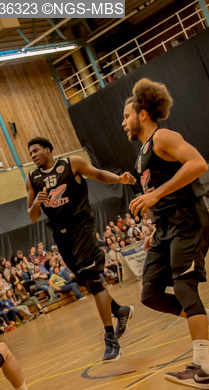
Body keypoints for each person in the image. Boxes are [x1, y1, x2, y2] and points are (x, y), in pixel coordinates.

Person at [122, 78, 209, 389]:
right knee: (150, 294)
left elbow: (198, 164)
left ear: (142, 114)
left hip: (188, 221)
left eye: (126, 116)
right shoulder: (141, 154)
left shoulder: (163, 137)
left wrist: (155, 194)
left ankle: (202, 369)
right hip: (166, 228)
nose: (123, 122)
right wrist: (156, 227)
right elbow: (163, 194)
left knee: (184, 287)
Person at [26, 136, 136, 362]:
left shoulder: (71, 163)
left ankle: (110, 339)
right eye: (30, 154)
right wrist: (36, 203)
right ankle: (119, 310)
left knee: (92, 279)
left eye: (36, 150)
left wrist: (120, 179)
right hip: (61, 236)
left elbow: (98, 174)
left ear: (48, 149)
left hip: (82, 228)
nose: (33, 155)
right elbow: (33, 216)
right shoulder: (32, 178)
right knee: (87, 280)